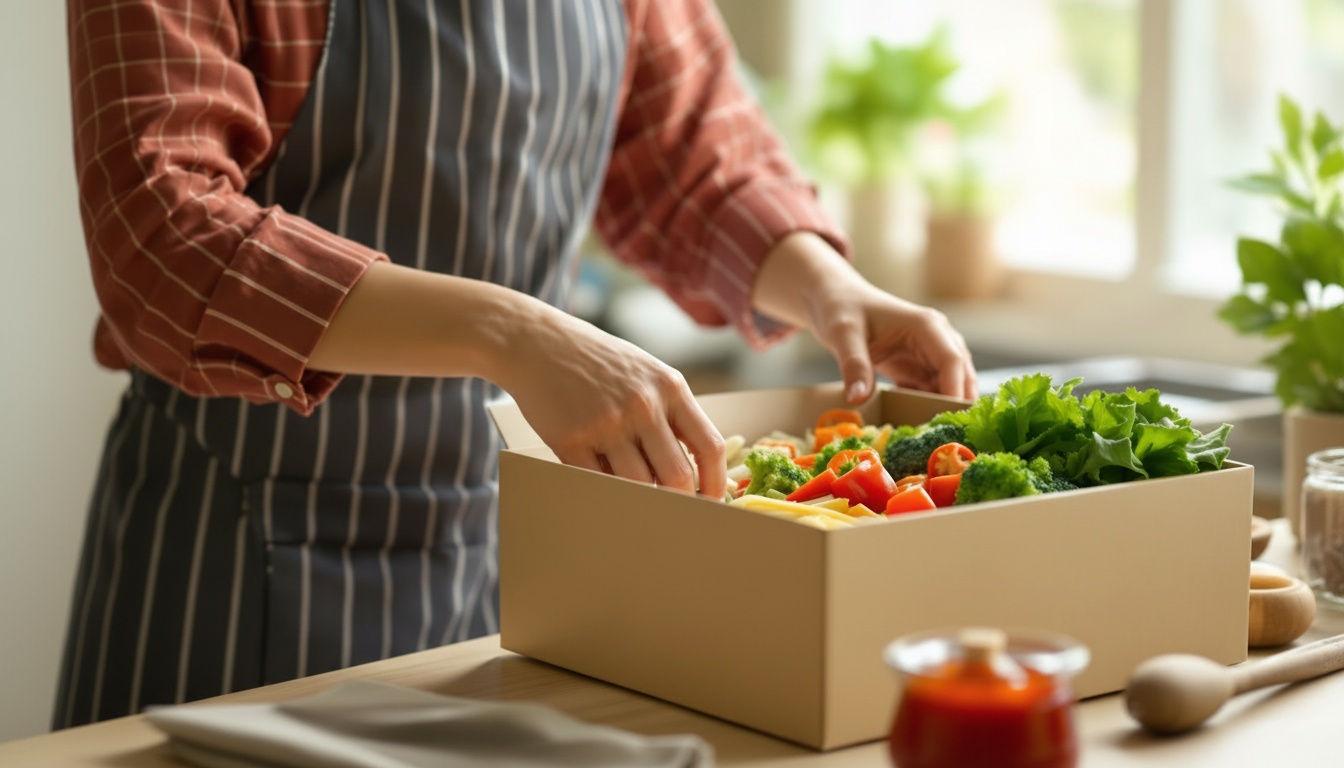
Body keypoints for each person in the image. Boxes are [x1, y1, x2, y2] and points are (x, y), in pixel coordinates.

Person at [54, 0, 978, 728]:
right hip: (234, 561)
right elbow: (161, 232)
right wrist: (512, 333)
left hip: (512, 564)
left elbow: (695, 158)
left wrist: (832, 291)